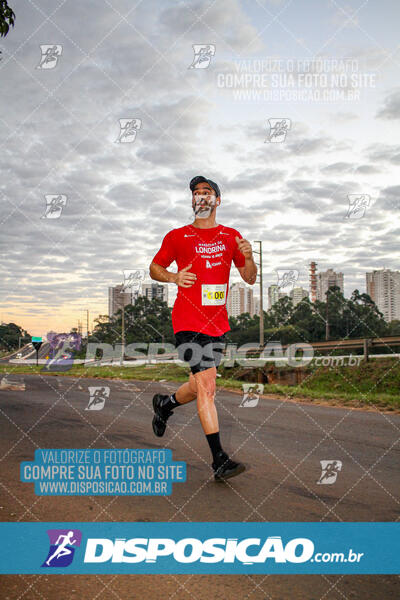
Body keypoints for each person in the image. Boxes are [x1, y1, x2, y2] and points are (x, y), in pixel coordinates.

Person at [149, 175, 257, 482]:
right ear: (192, 201)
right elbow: (154, 267)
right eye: (196, 193)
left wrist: (249, 258)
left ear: (217, 200)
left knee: (200, 384)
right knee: (208, 385)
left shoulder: (230, 237)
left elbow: (249, 278)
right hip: (187, 321)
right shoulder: (177, 236)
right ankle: (219, 460)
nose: (201, 196)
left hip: (217, 324)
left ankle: (165, 404)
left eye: (207, 192)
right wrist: (172, 277)